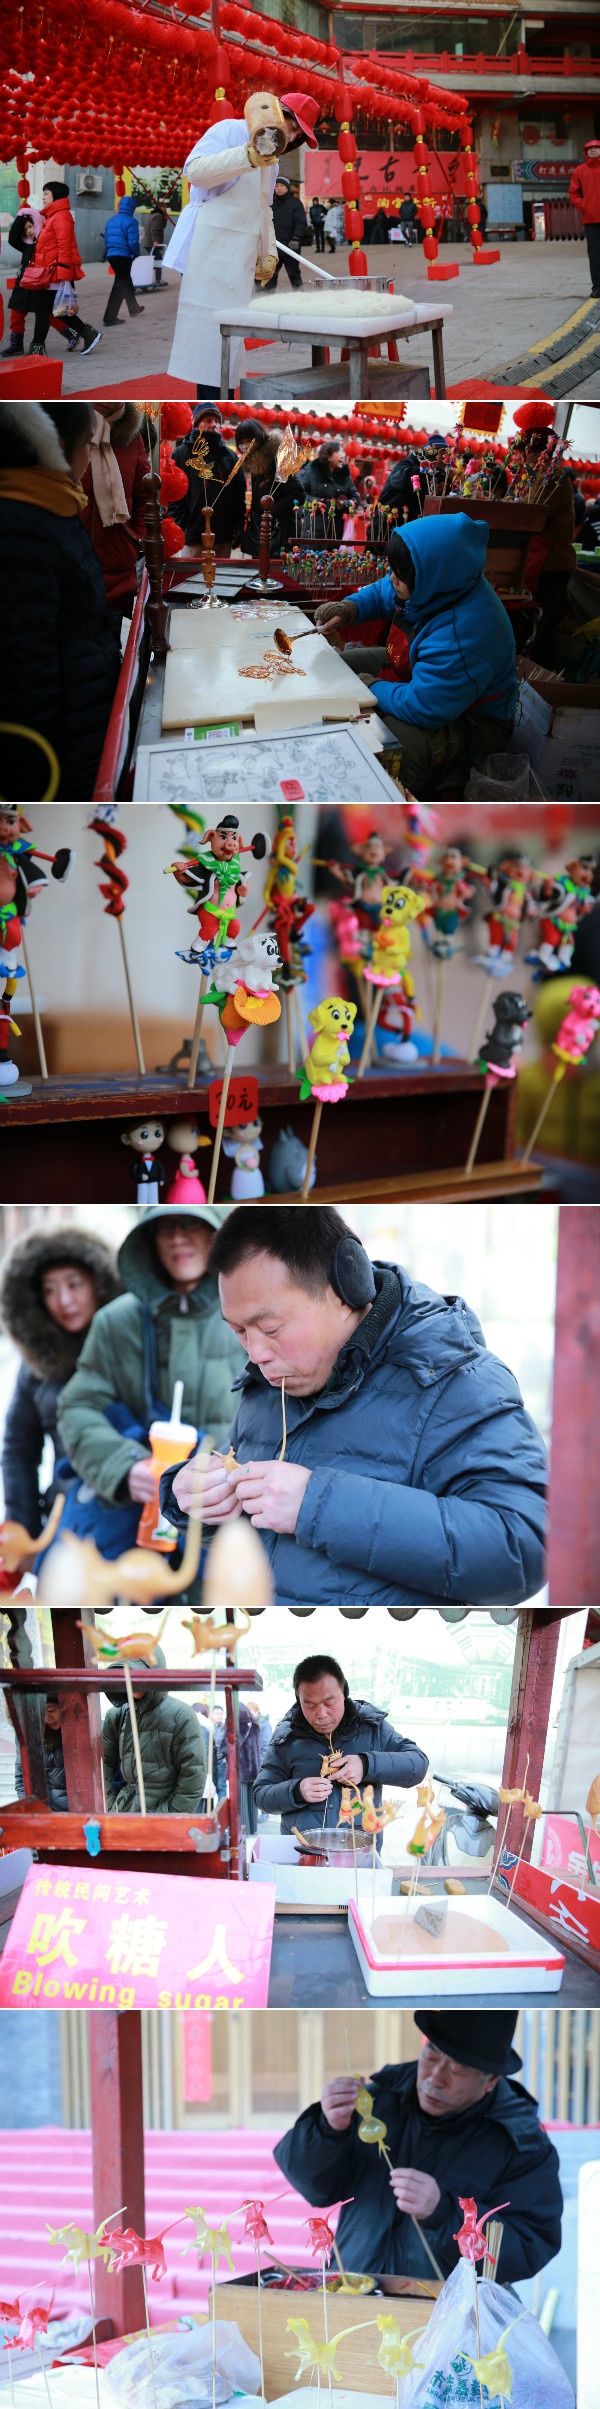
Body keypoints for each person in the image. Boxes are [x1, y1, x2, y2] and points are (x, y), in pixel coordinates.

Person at [162, 1206, 547, 1609]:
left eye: (271, 1329)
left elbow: (522, 1550)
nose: (255, 1352)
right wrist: (193, 1499)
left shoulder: (459, 1382)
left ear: (347, 1289)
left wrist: (317, 1505)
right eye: (239, 1331)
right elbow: (253, 1523)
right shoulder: (267, 1384)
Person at [273, 2011, 563, 2283]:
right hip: (355, 2290)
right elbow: (315, 2188)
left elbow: (529, 2247)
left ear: (490, 2081)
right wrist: (326, 2129)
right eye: (432, 2055)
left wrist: (446, 2213)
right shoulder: (378, 2102)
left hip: (445, 2318)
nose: (435, 2078)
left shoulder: (521, 2143)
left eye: (458, 2070)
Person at [58, 1208, 245, 1604]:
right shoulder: (115, 1322)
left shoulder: (250, 1316)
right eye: (165, 1226)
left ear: (218, 1231)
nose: (178, 1237)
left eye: (192, 1223)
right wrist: (124, 1465)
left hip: (228, 1523)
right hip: (138, 1530)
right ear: (149, 1240)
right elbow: (78, 1405)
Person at [314, 516, 518, 799]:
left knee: (388, 741)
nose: (393, 578)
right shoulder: (431, 581)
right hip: (422, 677)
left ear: (432, 578)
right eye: (393, 570)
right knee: (341, 666)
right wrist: (350, 608)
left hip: (471, 717)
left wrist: (370, 687)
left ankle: (391, 794)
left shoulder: (465, 632)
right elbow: (383, 591)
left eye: (401, 574)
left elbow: (425, 706)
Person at [0, 401, 121, 802]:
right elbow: (26, 674)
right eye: (87, 443)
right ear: (55, 445)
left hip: (84, 718)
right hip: (61, 752)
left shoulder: (53, 506)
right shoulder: (20, 527)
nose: (89, 455)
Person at [166, 92, 320, 397]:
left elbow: (263, 209)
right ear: (277, 113)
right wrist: (246, 156)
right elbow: (194, 172)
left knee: (231, 335)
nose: (291, 136)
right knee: (210, 335)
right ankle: (210, 399)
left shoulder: (274, 164)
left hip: (238, 254)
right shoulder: (229, 130)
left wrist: (269, 253)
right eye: (291, 126)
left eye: (298, 135)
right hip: (208, 246)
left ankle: (224, 397)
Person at [0, 1223, 120, 1545]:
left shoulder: (130, 1346)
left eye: (74, 1284)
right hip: (65, 1520)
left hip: (130, 1516)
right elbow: (19, 1450)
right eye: (50, 1289)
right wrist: (22, 1531)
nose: (63, 1300)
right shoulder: (36, 1365)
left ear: (99, 1282)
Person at [254, 1652, 427, 1836]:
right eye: (310, 1706)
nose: (321, 1714)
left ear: (344, 1693)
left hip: (358, 1853)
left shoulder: (371, 1727)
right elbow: (260, 1794)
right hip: (302, 1852)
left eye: (329, 1703)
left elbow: (418, 1764)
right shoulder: (287, 1737)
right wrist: (296, 1791)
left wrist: (366, 1765)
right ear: (299, 1700)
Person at [103, 1646, 207, 1814]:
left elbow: (193, 1773)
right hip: (123, 1811)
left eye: (137, 1673)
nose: (131, 1679)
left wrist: (172, 1815)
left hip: (162, 1815)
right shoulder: (116, 1715)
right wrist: (112, 1805)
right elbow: (105, 1766)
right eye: (125, 1672)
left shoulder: (181, 1715)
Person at [79, 404, 150, 621]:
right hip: (72, 560)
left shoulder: (132, 437)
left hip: (119, 563)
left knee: (117, 645)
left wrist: (136, 538)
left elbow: (144, 495)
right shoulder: (69, 431)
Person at [16, 180, 101, 358]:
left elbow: (64, 245)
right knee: (56, 311)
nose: (43, 197)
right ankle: (88, 333)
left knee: (45, 311)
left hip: (55, 273)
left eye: (46, 193)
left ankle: (37, 350)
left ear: (56, 195)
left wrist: (63, 273)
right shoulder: (52, 217)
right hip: (49, 272)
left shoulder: (62, 216)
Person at [171, 404, 246, 552]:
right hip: (192, 537)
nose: (214, 425)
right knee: (189, 574)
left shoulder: (229, 456)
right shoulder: (181, 454)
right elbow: (174, 494)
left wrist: (237, 525)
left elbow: (238, 494)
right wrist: (185, 525)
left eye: (217, 421)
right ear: (197, 424)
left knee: (221, 575)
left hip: (222, 536)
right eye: (208, 420)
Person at [234, 417, 306, 554]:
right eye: (241, 442)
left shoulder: (276, 460)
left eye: (249, 440)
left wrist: (270, 515)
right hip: (264, 533)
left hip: (281, 533)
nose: (245, 445)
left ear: (259, 437)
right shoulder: (255, 464)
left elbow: (298, 493)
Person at [14, 1691, 69, 1812]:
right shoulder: (26, 1734)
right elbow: (21, 1779)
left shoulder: (76, 1732)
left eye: (51, 1711)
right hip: (40, 1813)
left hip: (72, 1813)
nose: (47, 1718)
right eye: (41, 1714)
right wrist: (31, 1810)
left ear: (63, 1707)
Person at [300, 438, 361, 540]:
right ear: (328, 457)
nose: (342, 455)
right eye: (338, 452)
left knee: (332, 555)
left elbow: (356, 499)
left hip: (335, 528)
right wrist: (314, 502)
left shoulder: (344, 476)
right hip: (313, 526)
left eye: (343, 452)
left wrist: (344, 504)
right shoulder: (313, 472)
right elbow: (300, 494)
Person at [103, 194, 144, 327]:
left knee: (126, 280)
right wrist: (136, 253)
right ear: (132, 207)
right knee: (120, 284)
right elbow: (133, 242)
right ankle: (110, 317)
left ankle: (134, 308)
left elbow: (106, 239)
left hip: (112, 255)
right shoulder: (131, 221)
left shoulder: (111, 220)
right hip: (123, 256)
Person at [264, 176, 309, 290]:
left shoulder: (295, 203)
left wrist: (296, 238)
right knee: (270, 275)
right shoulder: (271, 204)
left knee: (294, 274)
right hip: (274, 246)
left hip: (290, 246)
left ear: (287, 188)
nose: (279, 188)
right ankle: (268, 299)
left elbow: (301, 222)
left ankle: (300, 298)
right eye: (276, 186)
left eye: (282, 186)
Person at [568, 137, 600, 296]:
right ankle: (597, 288)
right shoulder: (579, 171)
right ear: (586, 152)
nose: (593, 150)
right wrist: (584, 206)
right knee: (595, 256)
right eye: (589, 148)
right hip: (591, 220)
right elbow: (573, 193)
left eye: (596, 148)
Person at [379, 447, 428, 522]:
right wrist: (430, 472)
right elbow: (402, 479)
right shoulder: (405, 465)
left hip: (407, 522)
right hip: (388, 522)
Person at [239, 1700, 262, 1834]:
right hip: (254, 1768)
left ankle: (244, 1832)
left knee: (241, 1802)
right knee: (251, 1801)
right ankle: (252, 1829)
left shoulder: (237, 1725)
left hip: (241, 1769)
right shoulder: (255, 1724)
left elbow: (226, 1745)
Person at [142, 199, 169, 284]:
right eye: (165, 207)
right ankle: (157, 279)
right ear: (161, 207)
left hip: (148, 242)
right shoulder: (158, 216)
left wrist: (165, 218)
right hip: (152, 243)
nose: (166, 209)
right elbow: (155, 229)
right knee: (158, 261)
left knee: (155, 261)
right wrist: (155, 241)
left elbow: (161, 227)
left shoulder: (154, 215)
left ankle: (153, 279)